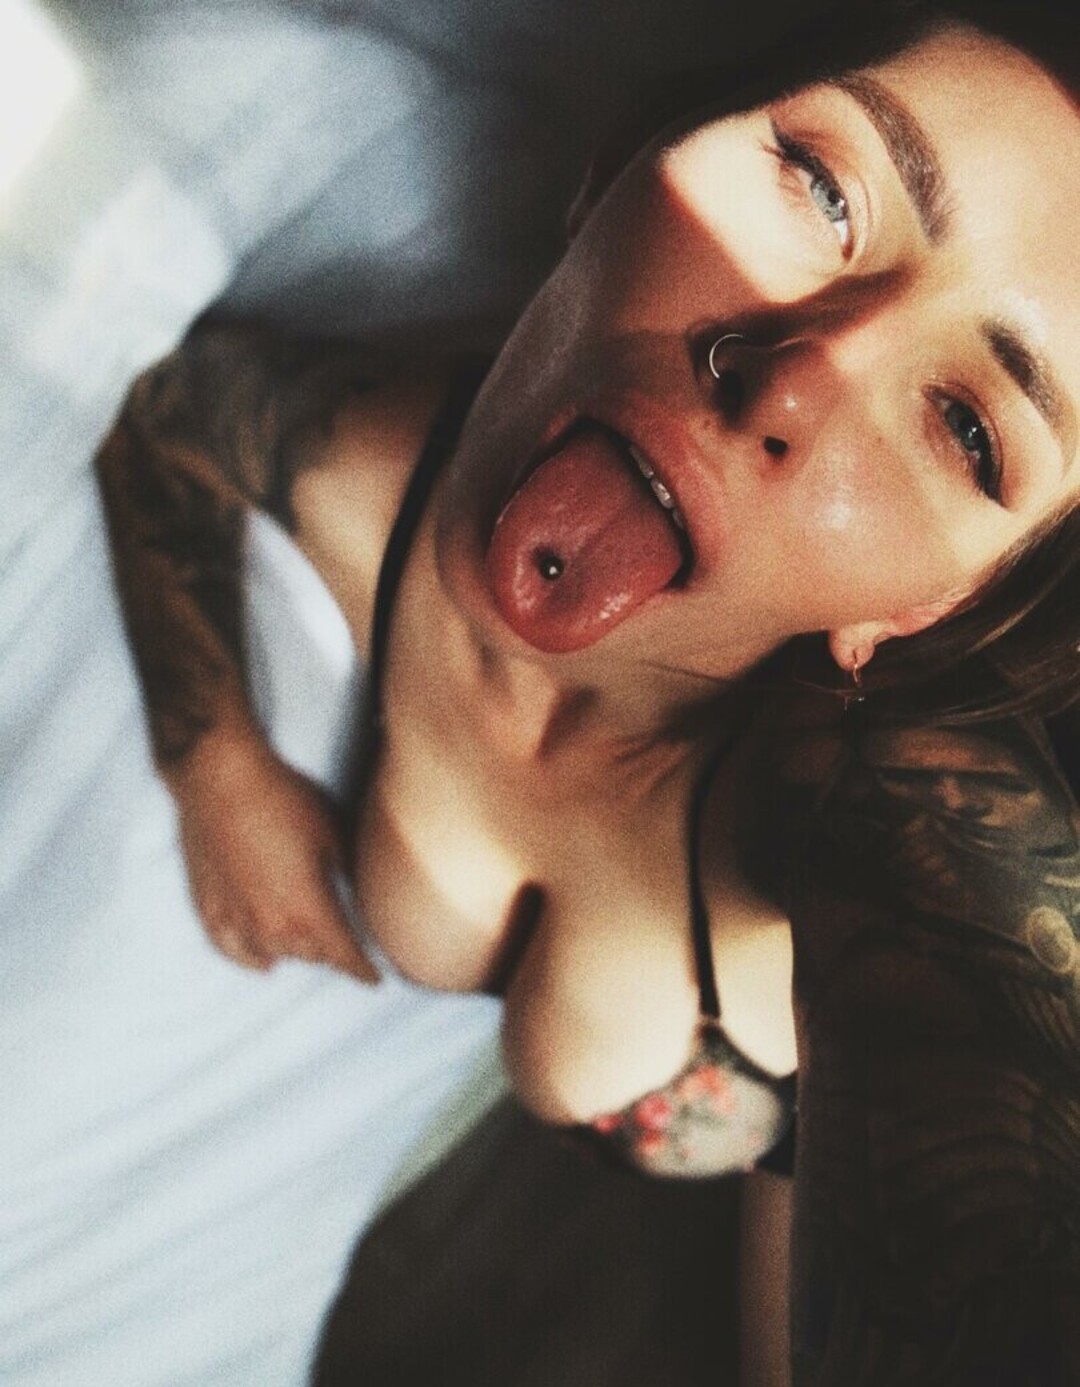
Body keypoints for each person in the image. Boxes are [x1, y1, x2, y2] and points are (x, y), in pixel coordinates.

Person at [94, 0, 1080, 1380]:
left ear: (928, 608)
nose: (799, 380)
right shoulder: (368, 466)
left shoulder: (863, 813)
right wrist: (217, 768)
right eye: (823, 186)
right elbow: (165, 421)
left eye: (968, 427)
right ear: (620, 158)